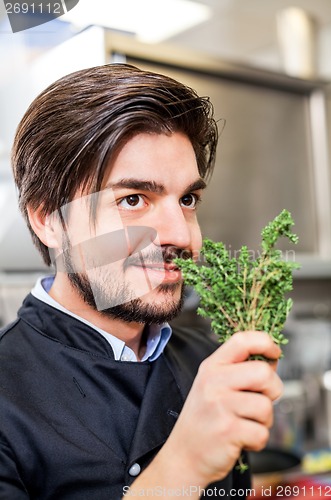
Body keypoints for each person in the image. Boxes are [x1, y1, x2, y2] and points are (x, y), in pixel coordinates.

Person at [0, 63, 282, 499]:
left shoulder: (210, 363)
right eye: (133, 199)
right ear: (47, 221)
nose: (180, 235)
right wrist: (182, 463)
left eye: (187, 199)